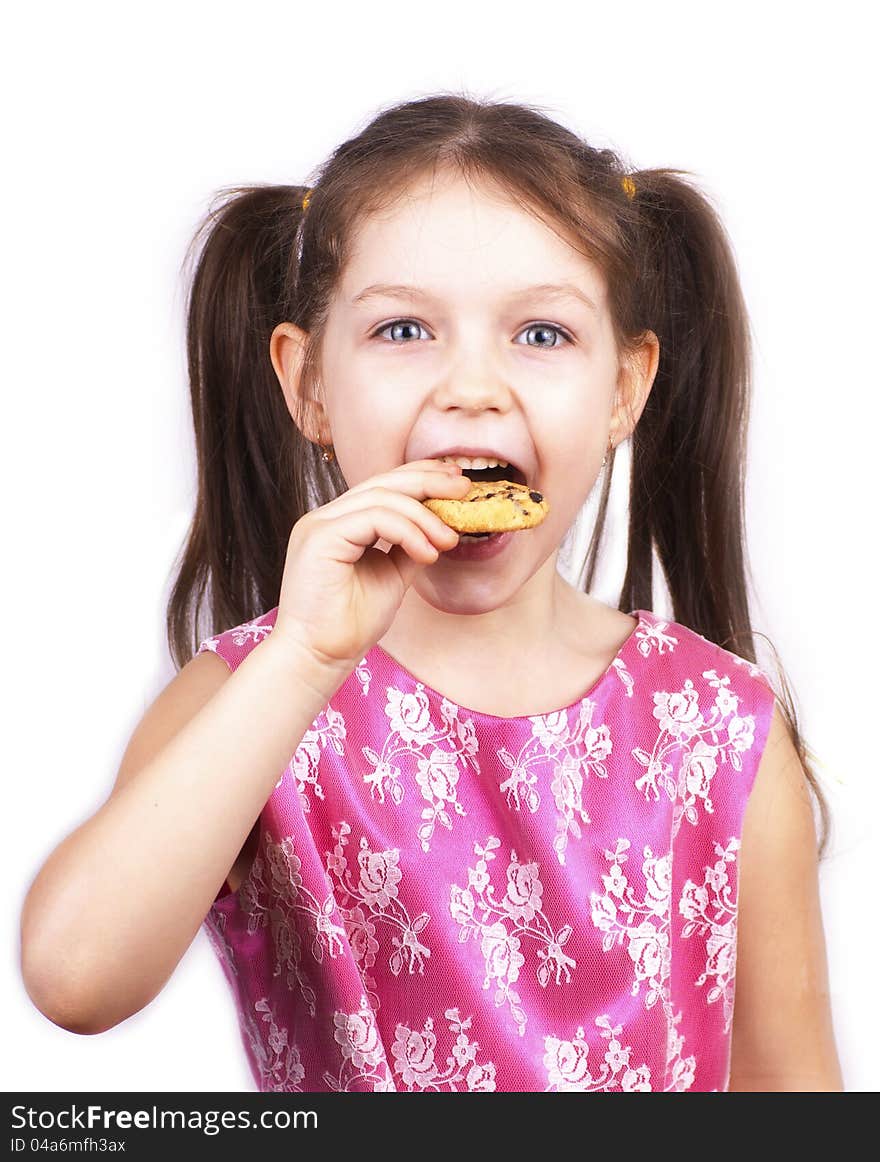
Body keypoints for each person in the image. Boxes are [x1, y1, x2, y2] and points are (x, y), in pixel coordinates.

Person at [19, 92, 844, 1092]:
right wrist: (304, 661)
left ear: (624, 388)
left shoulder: (721, 732)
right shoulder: (251, 698)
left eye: (541, 335)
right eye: (404, 329)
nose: (472, 387)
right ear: (309, 382)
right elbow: (74, 978)